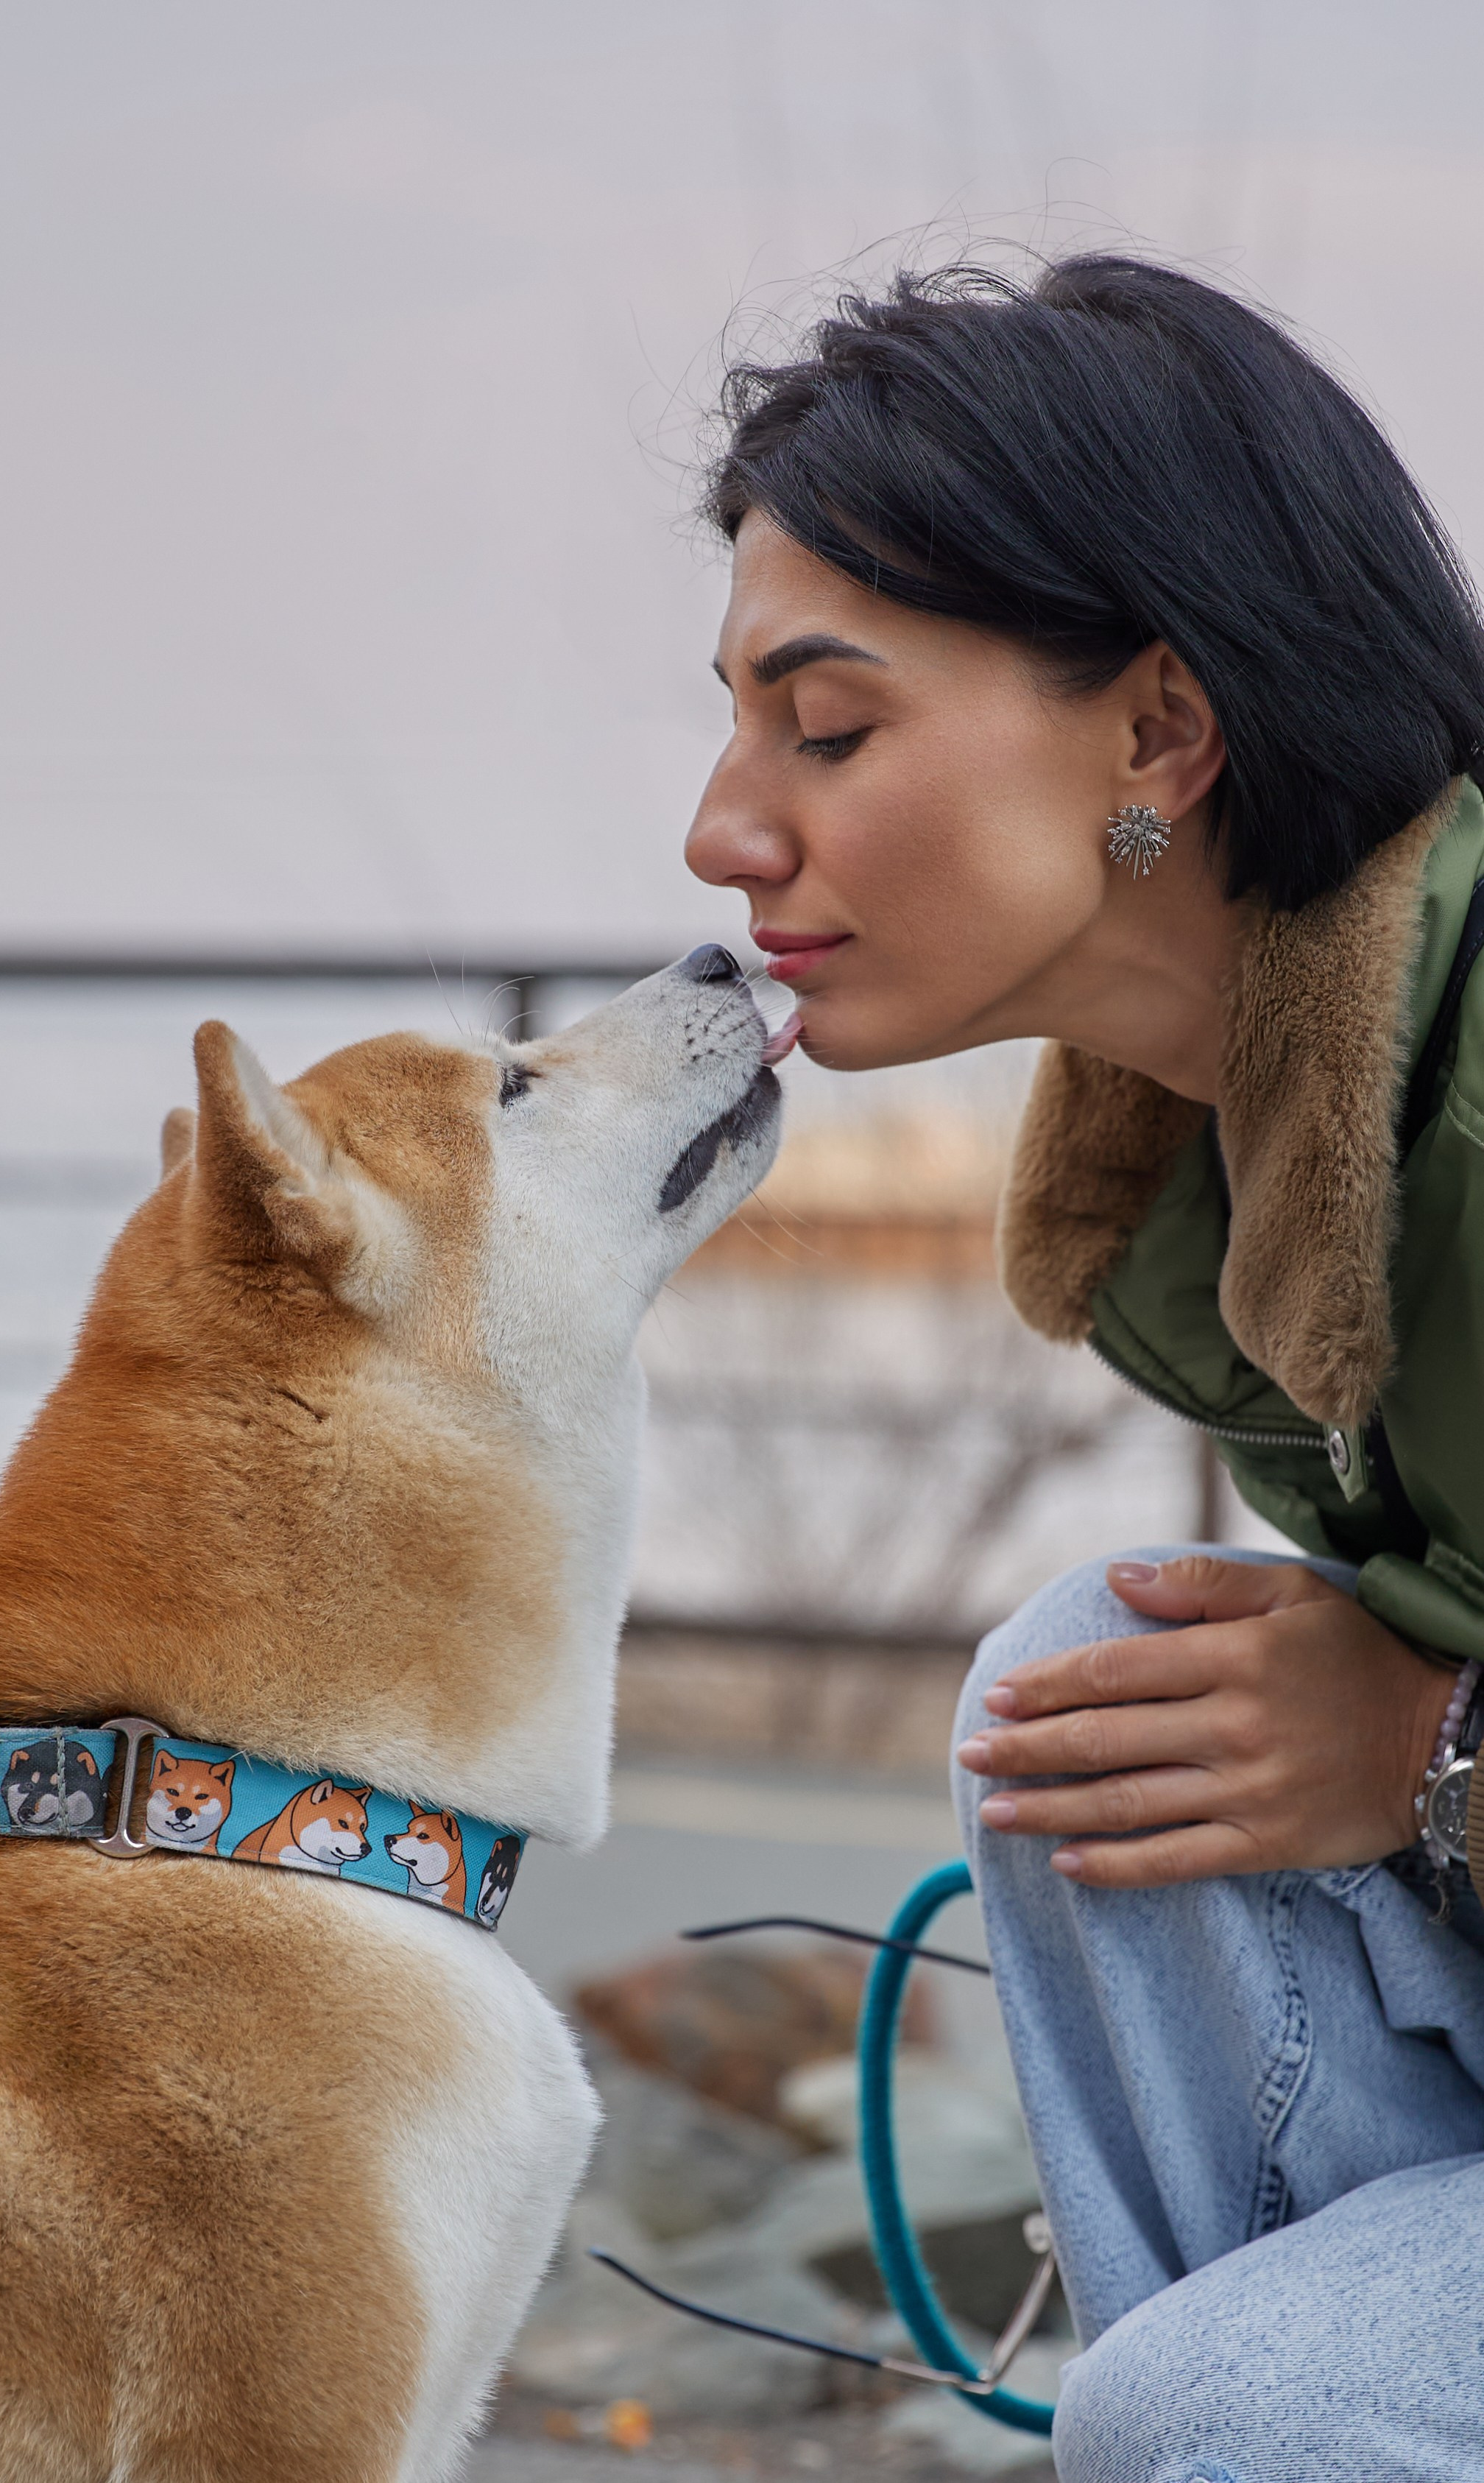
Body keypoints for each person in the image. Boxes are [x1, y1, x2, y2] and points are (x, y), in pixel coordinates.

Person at [685, 255, 1484, 2481]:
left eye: (825, 729)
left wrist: (1432, 1748)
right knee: (1086, 1693)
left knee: (1226, 2399)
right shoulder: (1250, 1174)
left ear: (1157, 734)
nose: (726, 830)